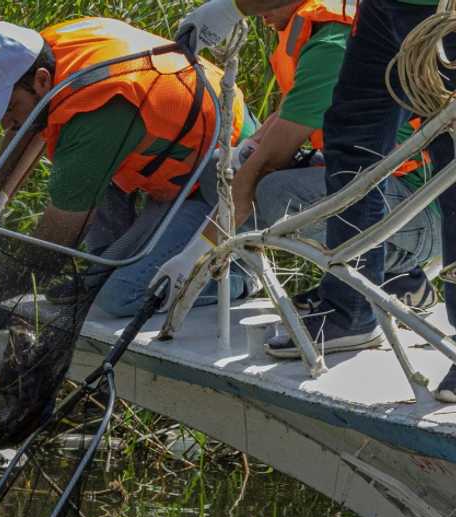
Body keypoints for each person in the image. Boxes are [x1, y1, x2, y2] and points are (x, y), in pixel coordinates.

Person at [0, 16, 257, 350]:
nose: (4, 123)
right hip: (161, 164)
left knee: (120, 295)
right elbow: (25, 125)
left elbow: (50, 252)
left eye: (9, 106)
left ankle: (237, 276)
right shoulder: (38, 56)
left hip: (219, 185)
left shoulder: (98, 112)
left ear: (42, 80)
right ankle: (131, 258)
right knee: (97, 274)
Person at [178, 0, 456, 401]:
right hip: (386, 7)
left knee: (452, 149)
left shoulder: (326, 39)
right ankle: (351, 310)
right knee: (353, 136)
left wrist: (234, 7)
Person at [200, 0, 439, 318]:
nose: (257, 12)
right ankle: (229, 281)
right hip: (374, 185)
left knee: (275, 193)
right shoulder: (306, 28)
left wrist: (202, 249)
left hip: (422, 205)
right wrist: (239, 161)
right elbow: (284, 119)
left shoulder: (332, 41)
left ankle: (400, 277)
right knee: (221, 170)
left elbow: (270, 160)